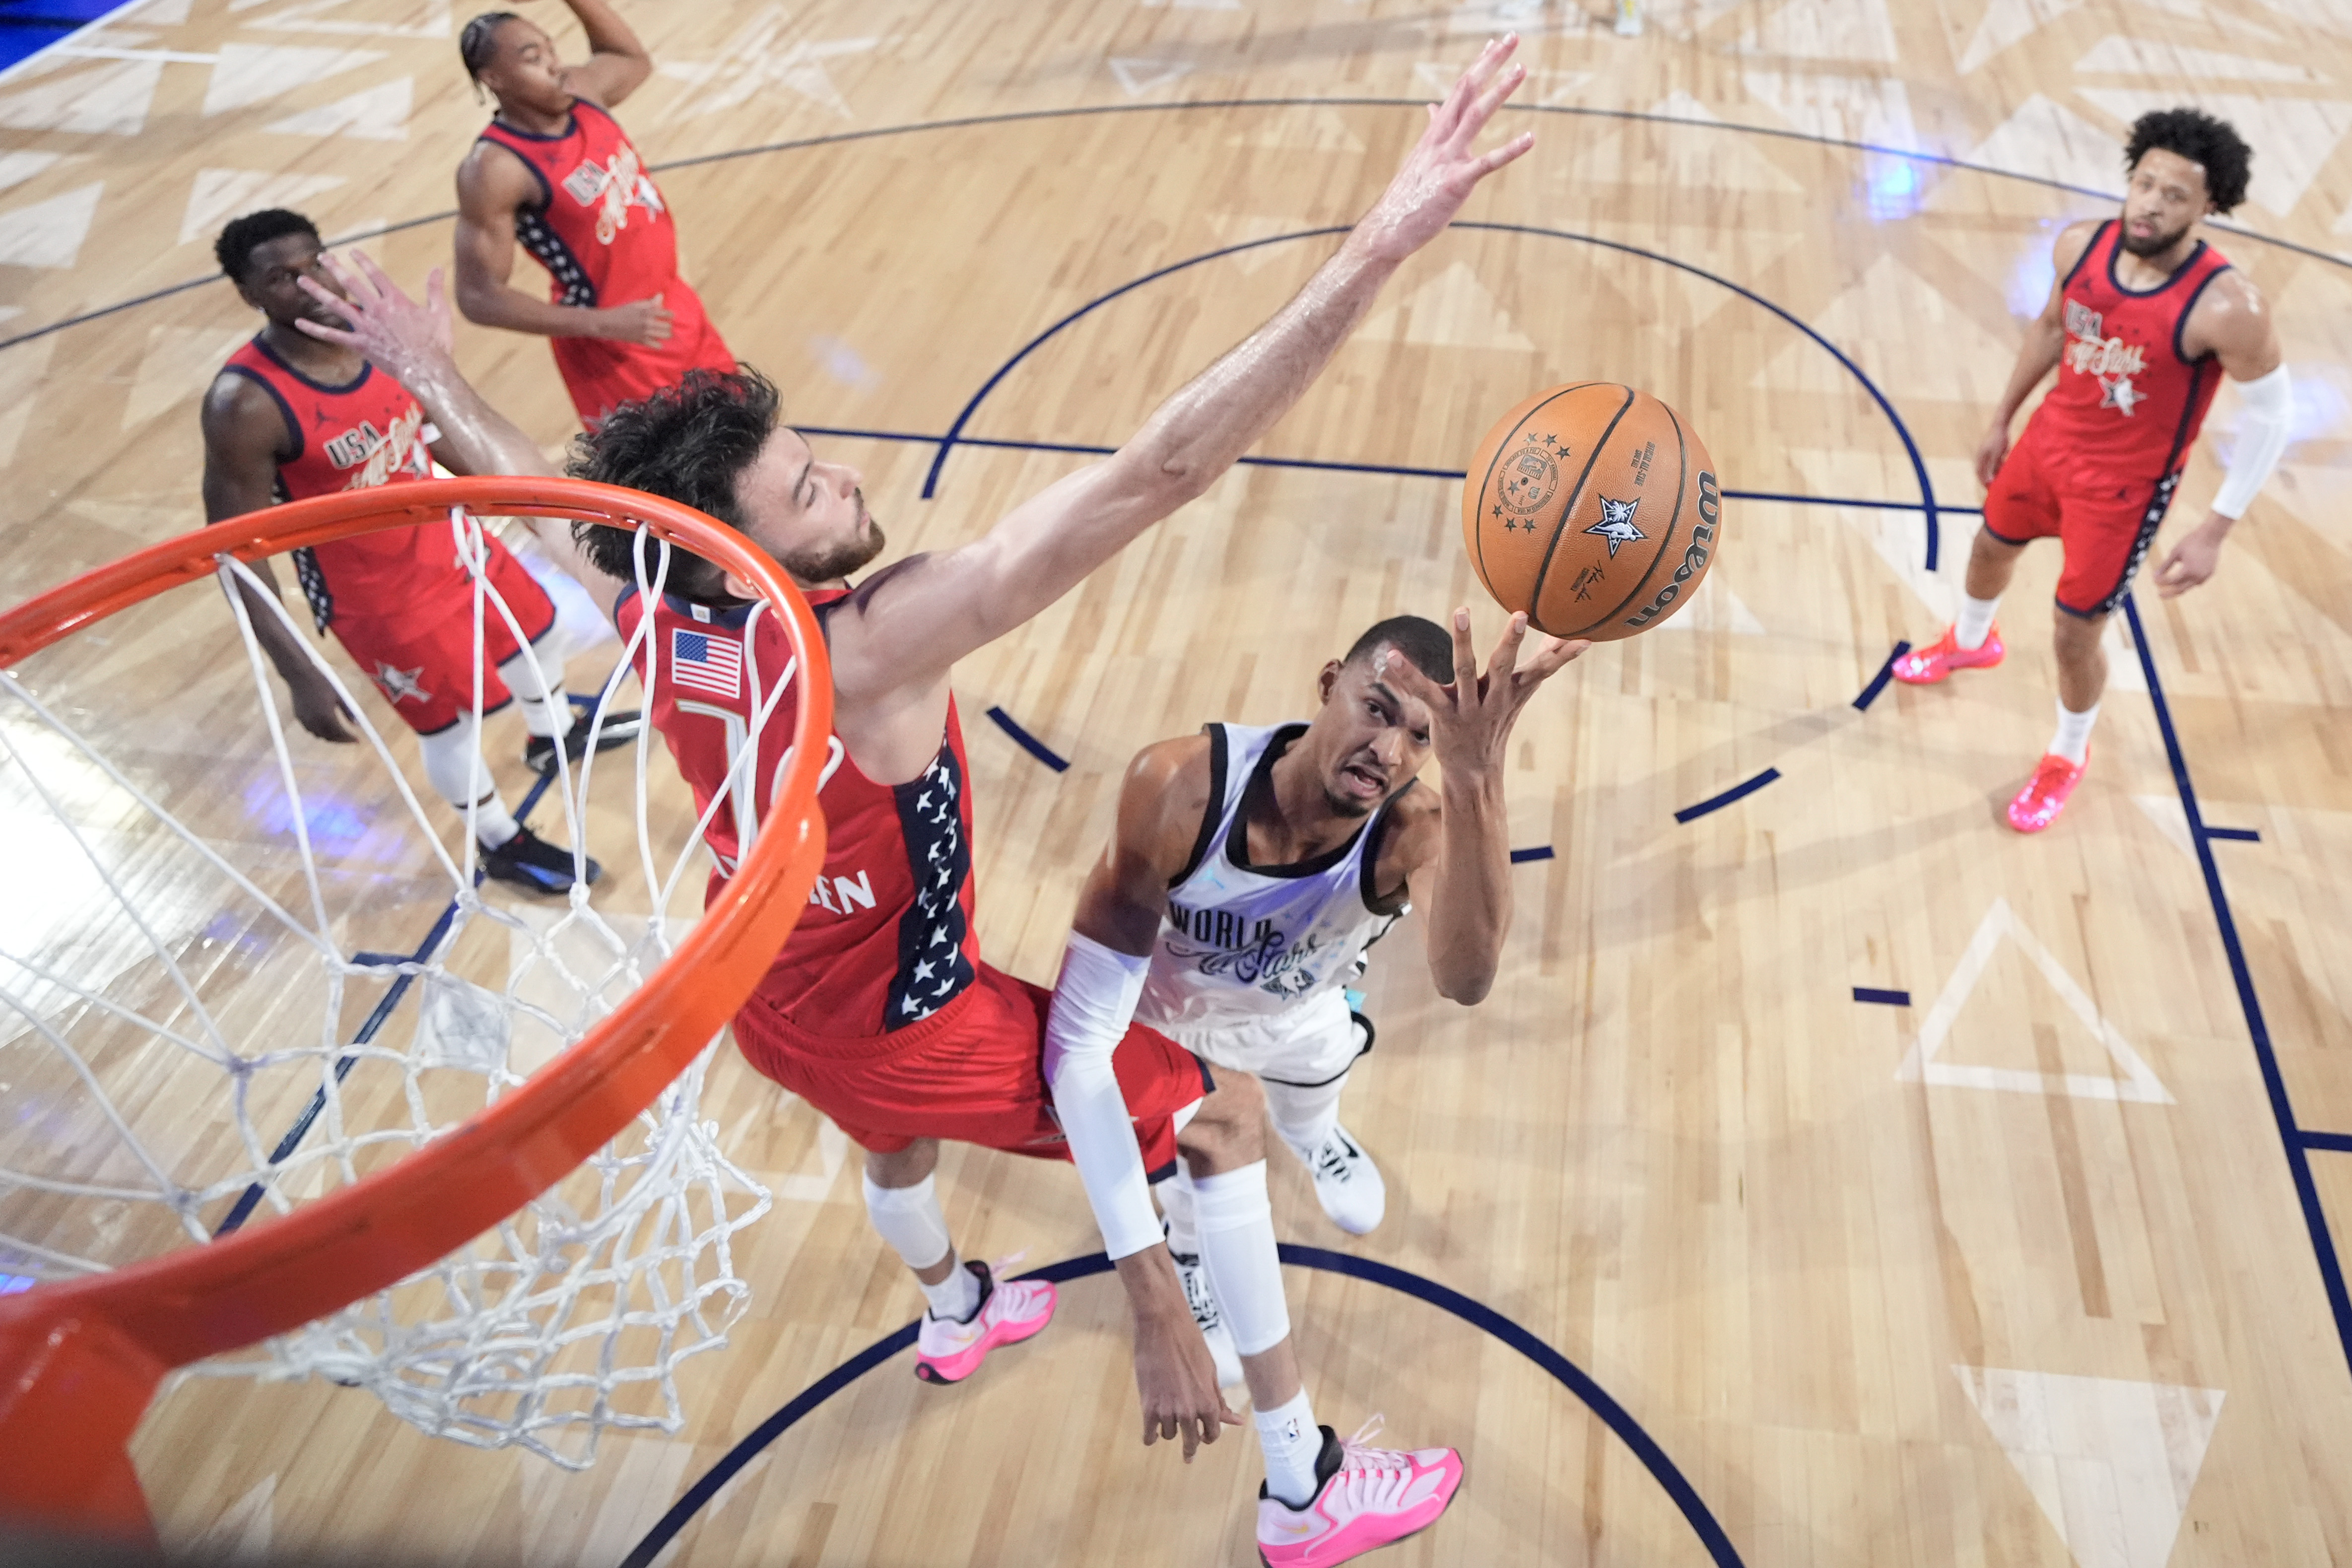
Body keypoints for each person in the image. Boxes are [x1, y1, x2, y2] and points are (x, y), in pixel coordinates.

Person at [298, 39, 1535, 1563]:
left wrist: (426, 376)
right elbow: (1160, 469)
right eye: (805, 490)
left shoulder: (669, 606)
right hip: (897, 1011)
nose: (840, 484)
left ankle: (955, 1307)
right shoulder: (869, 647)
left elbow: (554, 501)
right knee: (1200, 1120)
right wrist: (1374, 247)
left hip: (755, 986)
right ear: (736, 544)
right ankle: (1301, 1488)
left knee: (890, 1138)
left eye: (813, 461)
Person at [1049, 608, 1580, 1563]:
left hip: (1295, 1012)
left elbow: (1465, 978)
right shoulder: (1180, 785)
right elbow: (1081, 1020)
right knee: (1194, 1172)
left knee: (1309, 1088)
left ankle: (1317, 1134)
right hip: (1170, 1028)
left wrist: (1471, 775)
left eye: (1418, 734)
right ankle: (1196, 1274)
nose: (1386, 748)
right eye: (1374, 708)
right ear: (1327, 681)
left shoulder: (1410, 828)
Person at [200, 209, 627, 894]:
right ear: (248, 293)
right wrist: (297, 672)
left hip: (454, 540)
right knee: (453, 725)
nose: (307, 284)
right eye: (280, 278)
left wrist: (526, 503)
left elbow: (433, 433)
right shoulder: (244, 404)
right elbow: (236, 552)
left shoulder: (375, 336)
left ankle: (554, 735)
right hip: (377, 597)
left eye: (314, 262)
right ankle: (499, 840)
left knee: (538, 634)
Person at [1893, 108, 2289, 832]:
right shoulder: (2080, 247)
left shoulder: (2228, 307)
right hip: (2045, 446)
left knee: (2074, 634)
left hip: (2121, 493)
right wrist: (2000, 418)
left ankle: (2064, 755)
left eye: (2174, 194)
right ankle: (1971, 641)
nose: (2150, 202)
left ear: (2209, 206)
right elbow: (2050, 327)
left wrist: (2214, 529)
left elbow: (2272, 415)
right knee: (1986, 548)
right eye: (2144, 183)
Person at [453, 1, 734, 425]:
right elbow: (479, 297)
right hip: (614, 345)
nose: (554, 65)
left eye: (551, 49)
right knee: (665, 483)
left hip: (674, 309)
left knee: (742, 441)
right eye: (533, 58)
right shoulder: (495, 169)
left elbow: (630, 60)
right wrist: (603, 324)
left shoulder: (583, 92)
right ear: (493, 79)